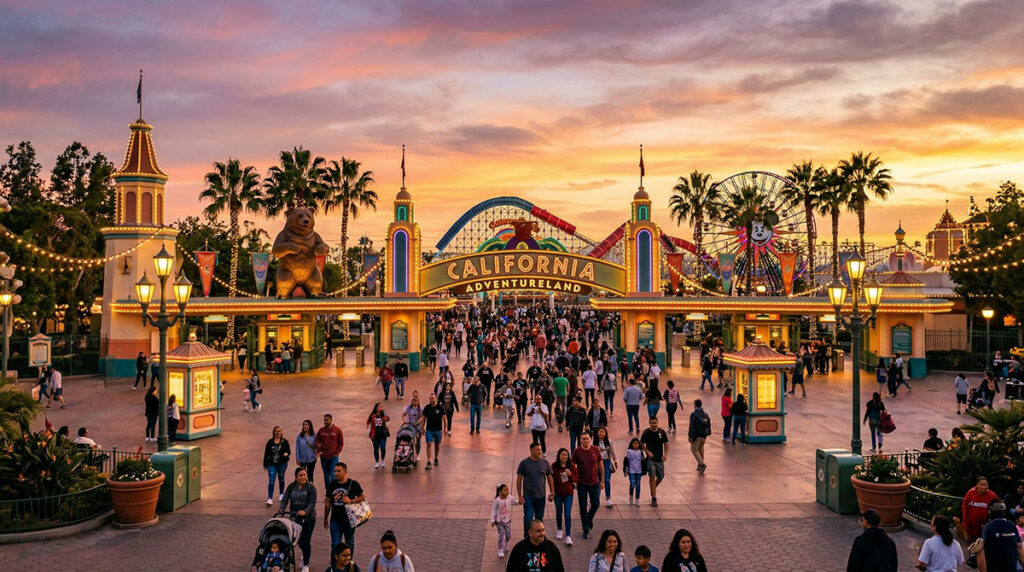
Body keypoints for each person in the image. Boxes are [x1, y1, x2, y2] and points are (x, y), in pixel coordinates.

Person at [323, 462, 365, 559]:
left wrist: (351, 500)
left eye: (339, 471)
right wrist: (325, 518)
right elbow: (328, 501)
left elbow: (362, 496)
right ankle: (335, 565)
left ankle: (348, 564)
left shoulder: (353, 484)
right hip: (335, 520)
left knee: (349, 543)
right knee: (335, 544)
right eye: (335, 471)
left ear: (345, 471)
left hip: (349, 520)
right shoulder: (331, 485)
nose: (336, 473)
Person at [280, 467, 317, 572]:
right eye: (300, 475)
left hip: (309, 518)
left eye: (304, 475)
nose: (303, 477)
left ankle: (306, 564)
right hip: (295, 518)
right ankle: (304, 553)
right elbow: (285, 499)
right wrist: (281, 509)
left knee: (306, 540)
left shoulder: (311, 487)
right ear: (296, 477)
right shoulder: (291, 487)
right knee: (298, 540)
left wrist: (305, 511)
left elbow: (312, 503)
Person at [516, 442, 555, 536]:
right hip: (528, 496)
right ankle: (527, 536)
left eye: (540, 450)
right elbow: (519, 479)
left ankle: (538, 536)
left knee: (539, 518)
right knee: (528, 517)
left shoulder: (545, 463)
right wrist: (520, 496)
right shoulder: (524, 463)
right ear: (531, 450)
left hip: (541, 496)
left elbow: (549, 477)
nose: (540, 452)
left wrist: (552, 492)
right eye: (537, 450)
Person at [572, 432, 603, 540]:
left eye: (587, 439)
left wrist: (602, 480)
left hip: (594, 482)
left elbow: (600, 465)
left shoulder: (595, 450)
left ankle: (588, 519)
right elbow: (572, 465)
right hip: (582, 484)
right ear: (580, 440)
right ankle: (585, 529)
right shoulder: (577, 451)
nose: (585, 441)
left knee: (596, 503)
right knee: (583, 506)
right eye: (583, 439)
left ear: (591, 439)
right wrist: (573, 479)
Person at [977, 502, 1024, 571]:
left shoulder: (988, 527)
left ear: (990, 514)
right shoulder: (1011, 525)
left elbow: (981, 551)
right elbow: (1020, 548)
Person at [551, 447, 577, 546]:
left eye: (566, 455)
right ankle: (559, 529)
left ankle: (568, 536)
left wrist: (570, 475)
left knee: (567, 514)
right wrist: (552, 492)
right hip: (558, 494)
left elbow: (576, 478)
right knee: (559, 511)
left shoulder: (571, 465)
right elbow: (551, 479)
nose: (564, 456)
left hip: (568, 493)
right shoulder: (554, 466)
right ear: (559, 455)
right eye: (562, 454)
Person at [640, 417, 669, 506]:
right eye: (652, 423)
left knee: (661, 476)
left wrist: (665, 455)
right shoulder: (646, 432)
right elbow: (641, 443)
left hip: (659, 459)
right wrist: (647, 452)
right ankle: (654, 498)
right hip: (650, 460)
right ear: (649, 423)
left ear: (657, 423)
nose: (653, 425)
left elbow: (666, 443)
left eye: (655, 423)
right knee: (652, 477)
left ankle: (653, 488)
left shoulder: (661, 432)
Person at [963, 476, 1000, 541]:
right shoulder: (970, 493)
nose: (984, 487)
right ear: (976, 485)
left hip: (986, 527)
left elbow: (998, 509)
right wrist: (965, 524)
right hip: (972, 527)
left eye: (985, 485)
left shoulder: (992, 495)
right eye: (981, 485)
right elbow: (964, 507)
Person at [263, 425, 292, 505]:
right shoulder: (270, 442)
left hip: (282, 463)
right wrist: (265, 464)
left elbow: (289, 451)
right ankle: (270, 498)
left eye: (279, 431)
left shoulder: (284, 442)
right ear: (273, 432)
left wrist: (286, 454)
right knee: (271, 480)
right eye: (276, 431)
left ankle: (281, 494)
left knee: (281, 478)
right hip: (272, 464)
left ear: (281, 432)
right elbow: (266, 453)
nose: (278, 432)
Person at [315, 414, 344, 490]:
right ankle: (328, 492)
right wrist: (319, 451)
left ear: (331, 420)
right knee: (326, 476)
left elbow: (341, 443)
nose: (325, 422)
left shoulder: (337, 430)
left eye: (327, 420)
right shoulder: (321, 431)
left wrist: (337, 453)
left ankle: (334, 491)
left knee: (333, 475)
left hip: (333, 457)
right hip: (324, 457)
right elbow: (317, 441)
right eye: (324, 420)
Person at [420, 392, 445, 469]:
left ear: (436, 399)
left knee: (437, 445)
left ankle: (436, 458)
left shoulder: (440, 407)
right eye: (430, 398)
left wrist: (446, 428)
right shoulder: (427, 407)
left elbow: (444, 418)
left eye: (433, 398)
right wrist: (422, 428)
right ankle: (429, 461)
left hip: (438, 430)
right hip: (429, 430)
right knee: (429, 444)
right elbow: (423, 418)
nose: (431, 400)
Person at [594, 426, 617, 508]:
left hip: (606, 463)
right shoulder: (593, 442)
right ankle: (597, 497)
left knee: (607, 480)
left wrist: (615, 460)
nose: (601, 433)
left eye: (603, 432)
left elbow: (612, 452)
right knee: (597, 480)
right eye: (600, 432)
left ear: (605, 433)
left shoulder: (609, 441)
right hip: (596, 463)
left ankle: (608, 499)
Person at [687, 399, 711, 475]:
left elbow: (691, 426)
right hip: (704, 435)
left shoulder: (694, 414)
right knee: (701, 449)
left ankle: (701, 464)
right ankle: (700, 465)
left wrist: (690, 436)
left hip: (696, 435)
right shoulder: (706, 414)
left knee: (694, 450)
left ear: (695, 405)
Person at [492, 483, 515, 559]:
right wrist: (492, 520)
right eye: (505, 490)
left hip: (507, 520)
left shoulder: (510, 498)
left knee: (508, 535)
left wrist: (520, 502)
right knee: (501, 535)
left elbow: (515, 502)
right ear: (500, 492)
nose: (507, 491)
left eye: (507, 489)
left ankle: (507, 542)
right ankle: (500, 550)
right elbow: (494, 510)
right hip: (499, 521)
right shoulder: (497, 500)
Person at [366, 403, 390, 469]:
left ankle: (382, 460)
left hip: (382, 434)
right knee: (376, 448)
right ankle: (377, 462)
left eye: (381, 406)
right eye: (379, 406)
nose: (380, 407)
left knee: (382, 447)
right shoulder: (372, 415)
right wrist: (369, 430)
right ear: (376, 407)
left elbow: (388, 418)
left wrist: (383, 415)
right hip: (375, 435)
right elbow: (368, 422)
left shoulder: (383, 413)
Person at [402, 394, 424, 462]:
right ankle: (409, 453)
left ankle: (418, 454)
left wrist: (418, 422)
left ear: (418, 401)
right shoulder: (408, 407)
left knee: (418, 440)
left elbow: (422, 416)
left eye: (416, 400)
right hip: (409, 426)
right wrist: (405, 422)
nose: (414, 402)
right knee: (410, 440)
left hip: (417, 426)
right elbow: (403, 415)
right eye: (413, 400)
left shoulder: (420, 408)